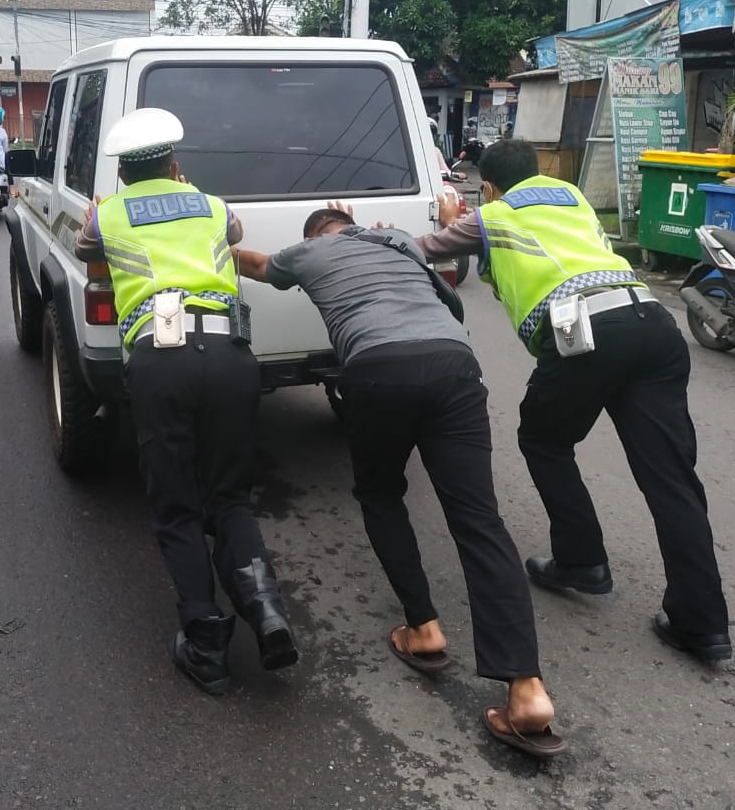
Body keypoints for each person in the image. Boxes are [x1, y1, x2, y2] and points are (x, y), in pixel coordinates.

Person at [236, 208, 567, 758]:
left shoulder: (310, 252)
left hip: (377, 367)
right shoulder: (396, 240)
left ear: (316, 233)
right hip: (453, 364)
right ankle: (527, 690)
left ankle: (424, 629)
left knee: (382, 494)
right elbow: (447, 289)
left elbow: (256, 263)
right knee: (479, 521)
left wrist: (205, 244)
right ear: (355, 223)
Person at [413, 138, 732, 663]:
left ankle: (582, 559)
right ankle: (703, 624)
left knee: (542, 439)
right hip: (653, 323)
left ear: (488, 185)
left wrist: (452, 216)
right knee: (672, 479)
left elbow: (425, 247)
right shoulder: (571, 196)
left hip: (587, 334)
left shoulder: (492, 214)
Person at [74, 107, 298, 694]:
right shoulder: (211, 205)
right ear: (175, 165)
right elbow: (235, 236)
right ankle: (265, 608)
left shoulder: (109, 213)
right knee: (229, 496)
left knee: (176, 506)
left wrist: (104, 211)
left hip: (160, 358)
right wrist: (186, 192)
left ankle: (205, 643)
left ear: (122, 175)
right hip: (230, 357)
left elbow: (86, 250)